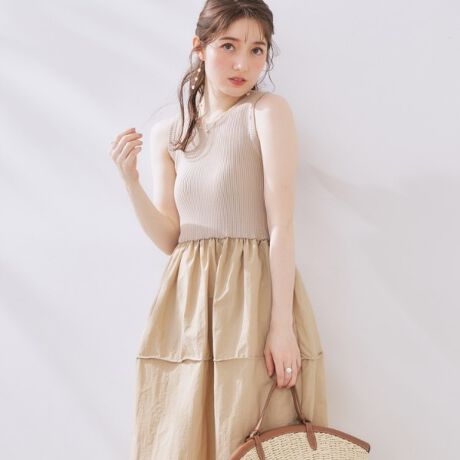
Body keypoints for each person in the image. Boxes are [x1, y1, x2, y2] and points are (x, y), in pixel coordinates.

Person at [110, 1, 328, 458]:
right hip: (187, 303)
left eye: (256, 50)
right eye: (228, 46)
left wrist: (282, 326)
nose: (242, 64)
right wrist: (130, 183)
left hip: (253, 295)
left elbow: (281, 226)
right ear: (200, 47)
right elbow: (171, 238)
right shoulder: (171, 134)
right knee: (180, 435)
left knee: (252, 432)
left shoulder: (266, 112)